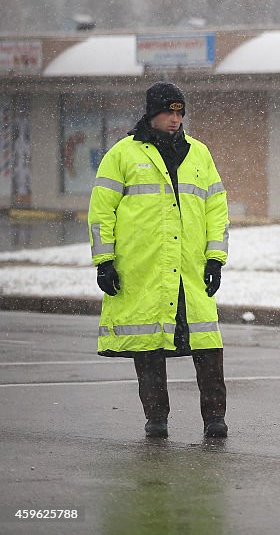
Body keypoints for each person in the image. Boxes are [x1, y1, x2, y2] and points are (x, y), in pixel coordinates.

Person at [88, 82, 230, 438]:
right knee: (148, 347)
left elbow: (217, 208)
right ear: (153, 113)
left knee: (207, 345)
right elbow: (101, 211)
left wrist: (215, 259)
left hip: (189, 270)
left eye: (180, 113)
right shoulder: (122, 154)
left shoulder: (199, 153)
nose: (175, 119)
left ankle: (215, 418)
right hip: (144, 270)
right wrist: (104, 261)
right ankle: (157, 419)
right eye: (169, 112)